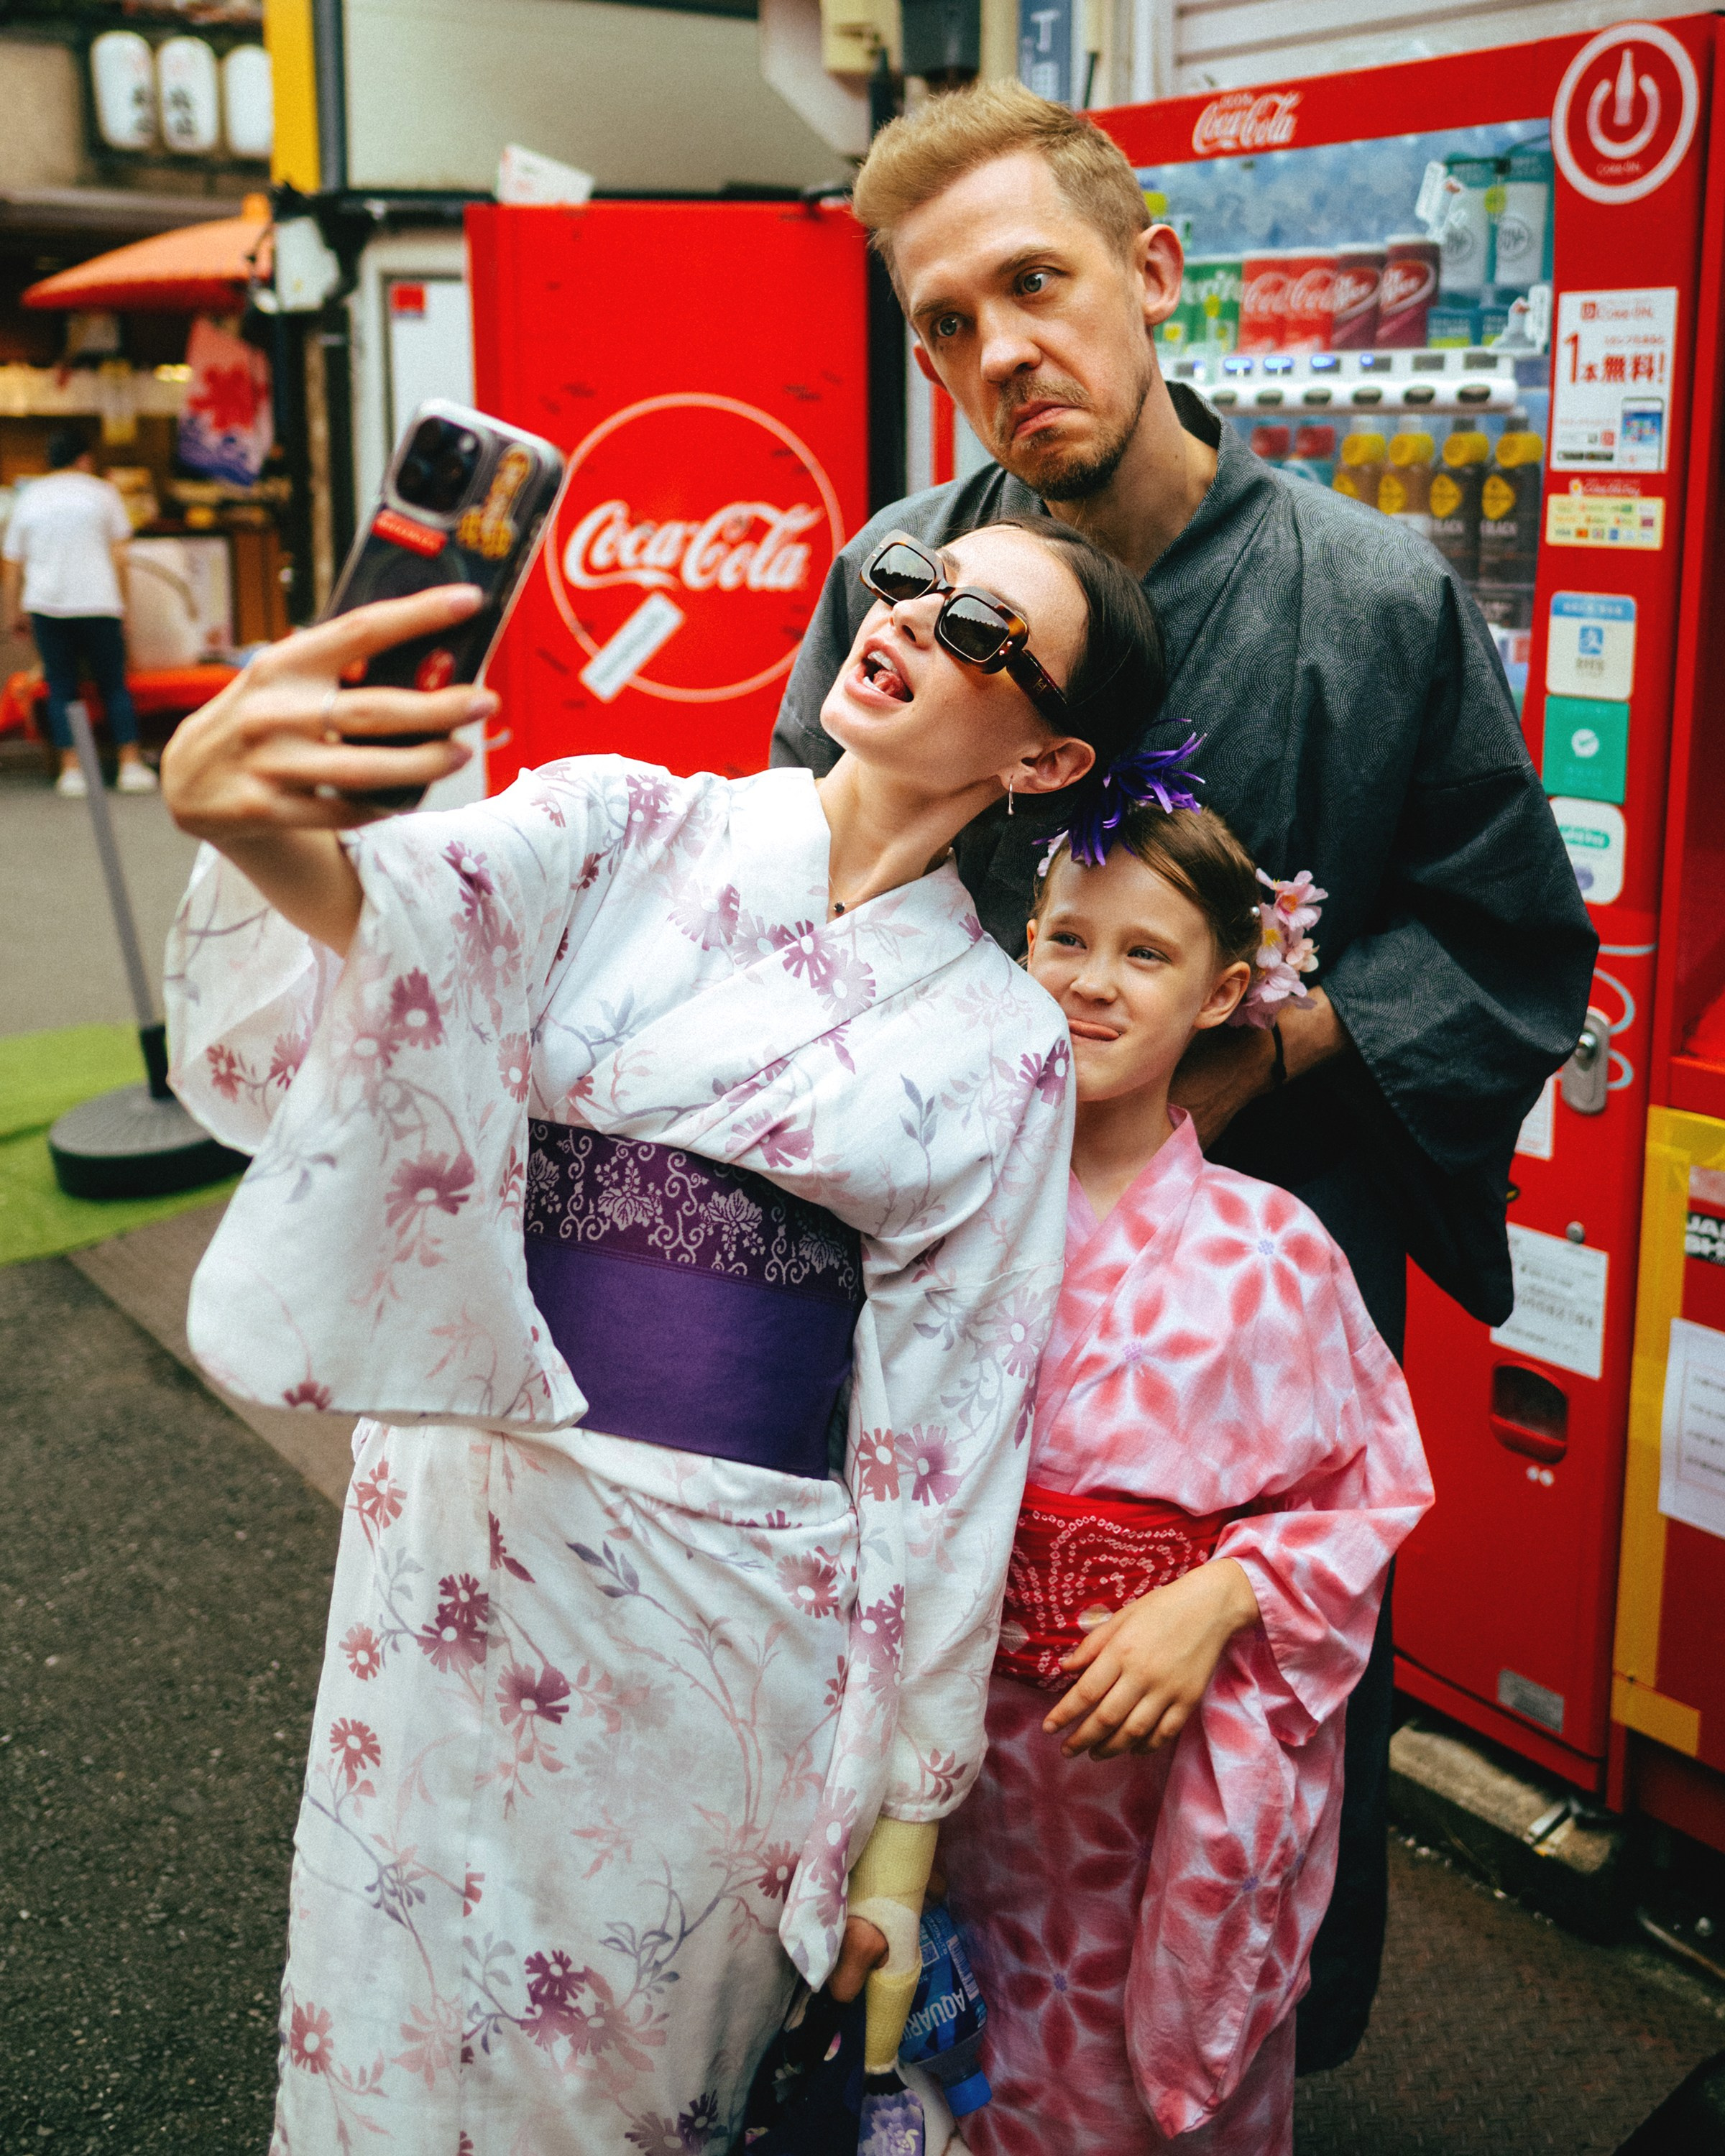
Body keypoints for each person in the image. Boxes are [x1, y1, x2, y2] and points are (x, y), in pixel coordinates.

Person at [771, 80, 1597, 2069]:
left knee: (1242, 1734)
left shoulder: (1373, 595)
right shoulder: (908, 568)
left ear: (1150, 276)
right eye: (946, 325)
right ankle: (927, 2056)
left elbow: (1508, 938)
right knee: (934, 1733)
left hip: (1255, 1300)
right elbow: (800, 888)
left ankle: (1231, 2062)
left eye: (1035, 287)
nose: (997, 356)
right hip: (946, 1273)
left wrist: (1245, 1061)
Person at [158, 516, 1156, 2151]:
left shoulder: (1001, 1043)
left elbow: (951, 1455)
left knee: (622, 2069)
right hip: (471, 1543)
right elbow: (392, 922)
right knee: (393, 2033)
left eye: (976, 625)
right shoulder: (628, 820)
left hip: (736, 1618)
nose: (905, 617)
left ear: (1046, 753)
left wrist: (895, 1863)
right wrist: (245, 815)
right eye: (902, 582)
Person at [939, 786, 1432, 2155]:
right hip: (949, 1774)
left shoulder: (1276, 1248)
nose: (1094, 985)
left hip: (1162, 1801)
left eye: (1145, 956)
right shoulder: (935, 1205)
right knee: (932, 2069)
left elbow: (1368, 1493)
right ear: (1019, 947)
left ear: (1225, 992)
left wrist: (1220, 1597)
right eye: (1066, 942)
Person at [0, 427, 152, 798]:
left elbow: (13, 564)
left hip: (47, 604)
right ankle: (130, 762)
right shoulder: (103, 493)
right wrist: (125, 608)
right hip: (100, 602)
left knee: (62, 687)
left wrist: (12, 614)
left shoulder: (29, 498)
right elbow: (120, 556)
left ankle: (71, 770)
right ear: (84, 459)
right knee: (113, 684)